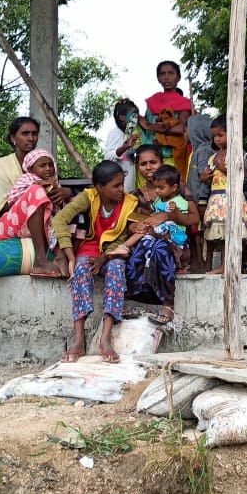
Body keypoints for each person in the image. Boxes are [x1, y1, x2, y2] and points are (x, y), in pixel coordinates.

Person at [52, 160, 138, 363]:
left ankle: (105, 338)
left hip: (112, 253)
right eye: (115, 186)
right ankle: (79, 339)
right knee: (81, 270)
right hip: (89, 249)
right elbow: (59, 220)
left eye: (122, 184)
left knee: (117, 269)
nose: (121, 190)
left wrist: (105, 257)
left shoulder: (130, 202)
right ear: (99, 187)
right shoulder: (88, 197)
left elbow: (127, 236)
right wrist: (71, 257)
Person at [127, 145, 201, 324]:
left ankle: (168, 304)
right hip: (148, 239)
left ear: (161, 162)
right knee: (143, 245)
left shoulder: (178, 187)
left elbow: (194, 218)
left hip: (175, 243)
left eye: (153, 162)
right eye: (143, 164)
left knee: (160, 248)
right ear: (138, 167)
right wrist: (136, 226)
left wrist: (168, 215)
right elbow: (129, 223)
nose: (148, 167)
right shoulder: (136, 196)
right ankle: (131, 298)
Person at [0, 149, 67, 278]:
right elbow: (12, 203)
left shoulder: (55, 184)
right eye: (42, 166)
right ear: (31, 169)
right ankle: (40, 261)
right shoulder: (26, 181)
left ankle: (60, 256)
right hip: (12, 226)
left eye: (50, 165)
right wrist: (39, 186)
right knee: (36, 191)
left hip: (36, 227)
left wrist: (64, 193)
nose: (48, 169)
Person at [199, 117, 247, 272]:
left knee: (230, 231)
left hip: (230, 198)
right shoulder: (213, 156)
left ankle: (226, 266)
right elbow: (209, 177)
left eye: (220, 135)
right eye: (214, 136)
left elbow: (241, 175)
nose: (217, 139)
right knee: (222, 233)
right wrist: (204, 177)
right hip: (217, 198)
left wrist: (222, 167)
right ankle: (223, 266)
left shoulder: (236, 153)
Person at [138, 61, 193, 178]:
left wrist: (150, 126)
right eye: (162, 74)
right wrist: (127, 105)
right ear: (158, 78)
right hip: (151, 158)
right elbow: (143, 125)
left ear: (178, 77)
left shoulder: (185, 103)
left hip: (173, 157)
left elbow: (179, 129)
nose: (166, 77)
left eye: (171, 73)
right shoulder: (152, 102)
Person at [120, 164, 189, 253]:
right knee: (145, 229)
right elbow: (152, 212)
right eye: (155, 187)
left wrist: (175, 211)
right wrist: (143, 211)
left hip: (174, 233)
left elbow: (184, 220)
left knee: (146, 229)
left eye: (161, 188)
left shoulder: (180, 202)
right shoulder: (158, 200)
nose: (157, 191)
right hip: (160, 230)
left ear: (174, 188)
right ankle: (126, 248)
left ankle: (125, 246)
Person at [105, 99, 142, 190]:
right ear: (122, 117)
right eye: (133, 114)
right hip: (120, 188)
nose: (136, 117)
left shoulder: (134, 132)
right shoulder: (116, 133)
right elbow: (108, 156)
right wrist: (125, 146)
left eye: (137, 114)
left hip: (132, 186)